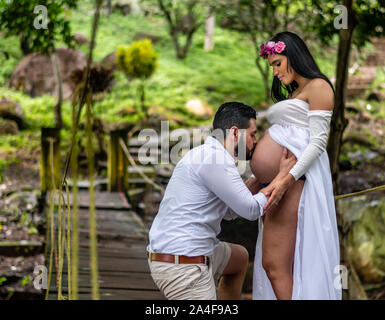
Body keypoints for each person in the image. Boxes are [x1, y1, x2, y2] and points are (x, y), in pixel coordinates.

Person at [147, 102, 296, 300]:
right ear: (235, 133)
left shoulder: (208, 155)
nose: (255, 141)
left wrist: (260, 179)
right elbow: (251, 210)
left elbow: (229, 212)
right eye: (252, 134)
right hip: (184, 265)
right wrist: (284, 175)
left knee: (239, 258)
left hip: (183, 253)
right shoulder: (216, 160)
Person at [250, 31, 341, 300]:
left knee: (275, 266)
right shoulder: (297, 91)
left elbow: (318, 143)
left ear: (293, 55)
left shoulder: (319, 86)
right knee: (278, 266)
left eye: (278, 63)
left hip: (293, 183)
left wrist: (285, 179)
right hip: (278, 181)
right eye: (272, 67)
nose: (276, 72)